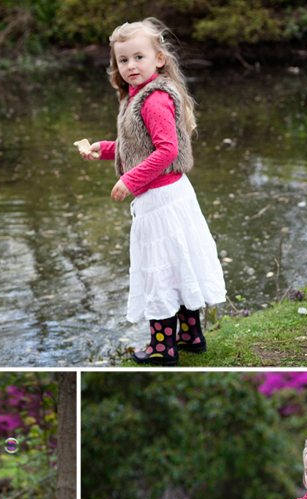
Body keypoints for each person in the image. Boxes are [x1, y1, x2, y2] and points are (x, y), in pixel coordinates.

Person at [80, 18, 226, 365]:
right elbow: (138, 145)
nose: (131, 66)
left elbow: (167, 151)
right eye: (123, 60)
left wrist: (129, 181)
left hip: (162, 199)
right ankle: (191, 336)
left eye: (138, 57)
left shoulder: (154, 99)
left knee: (159, 269)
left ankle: (163, 347)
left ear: (159, 59)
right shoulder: (137, 95)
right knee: (176, 266)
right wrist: (102, 148)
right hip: (167, 196)